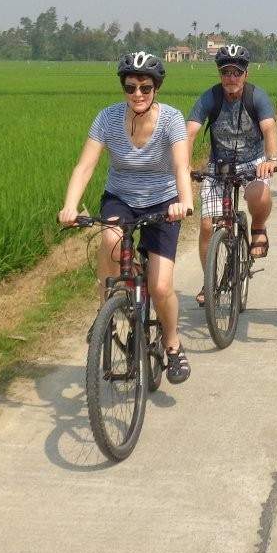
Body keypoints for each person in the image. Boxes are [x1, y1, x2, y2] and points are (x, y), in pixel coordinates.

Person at [58, 51, 193, 384]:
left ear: (156, 88)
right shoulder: (107, 118)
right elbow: (85, 165)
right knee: (110, 240)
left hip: (163, 202)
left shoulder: (172, 119)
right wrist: (70, 206)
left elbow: (180, 166)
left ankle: (173, 344)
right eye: (130, 86)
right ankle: (107, 310)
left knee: (161, 287)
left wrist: (185, 201)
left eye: (145, 88)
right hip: (121, 198)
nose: (137, 94)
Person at [186, 44, 277, 306]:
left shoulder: (256, 97)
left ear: (246, 74)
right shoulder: (210, 98)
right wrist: (183, 166)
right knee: (207, 225)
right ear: (219, 74)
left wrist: (271, 161)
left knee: (258, 194)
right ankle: (209, 281)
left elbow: (270, 130)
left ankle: (258, 226)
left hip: (253, 163)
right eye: (226, 72)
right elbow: (190, 132)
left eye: (237, 73)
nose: (231, 78)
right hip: (219, 165)